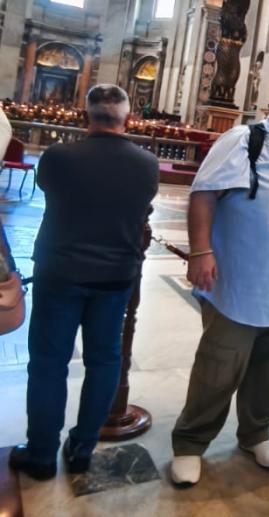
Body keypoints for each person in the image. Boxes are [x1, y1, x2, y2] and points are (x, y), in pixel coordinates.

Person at [170, 76, 269, 487]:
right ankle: (190, 443)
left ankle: (255, 433)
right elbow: (204, 193)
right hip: (244, 284)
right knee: (219, 367)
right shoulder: (246, 139)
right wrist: (201, 251)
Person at [9, 85, 159, 480]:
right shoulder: (146, 165)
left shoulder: (58, 158)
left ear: (84, 115)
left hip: (60, 274)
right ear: (127, 118)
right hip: (114, 279)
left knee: (48, 365)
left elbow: (48, 189)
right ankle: (82, 449)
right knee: (104, 361)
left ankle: (41, 454)